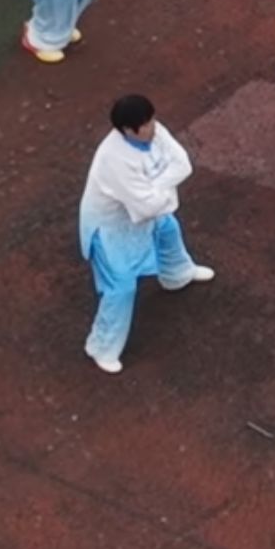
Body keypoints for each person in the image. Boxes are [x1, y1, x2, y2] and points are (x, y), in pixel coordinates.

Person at [77, 95, 212, 374]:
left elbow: (183, 164)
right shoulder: (114, 160)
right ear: (129, 130)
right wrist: (160, 189)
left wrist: (152, 188)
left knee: (168, 229)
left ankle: (177, 274)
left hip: (142, 209)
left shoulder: (154, 131)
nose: (154, 127)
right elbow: (148, 205)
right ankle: (102, 347)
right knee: (121, 285)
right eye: (147, 124)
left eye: (152, 120)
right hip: (109, 227)